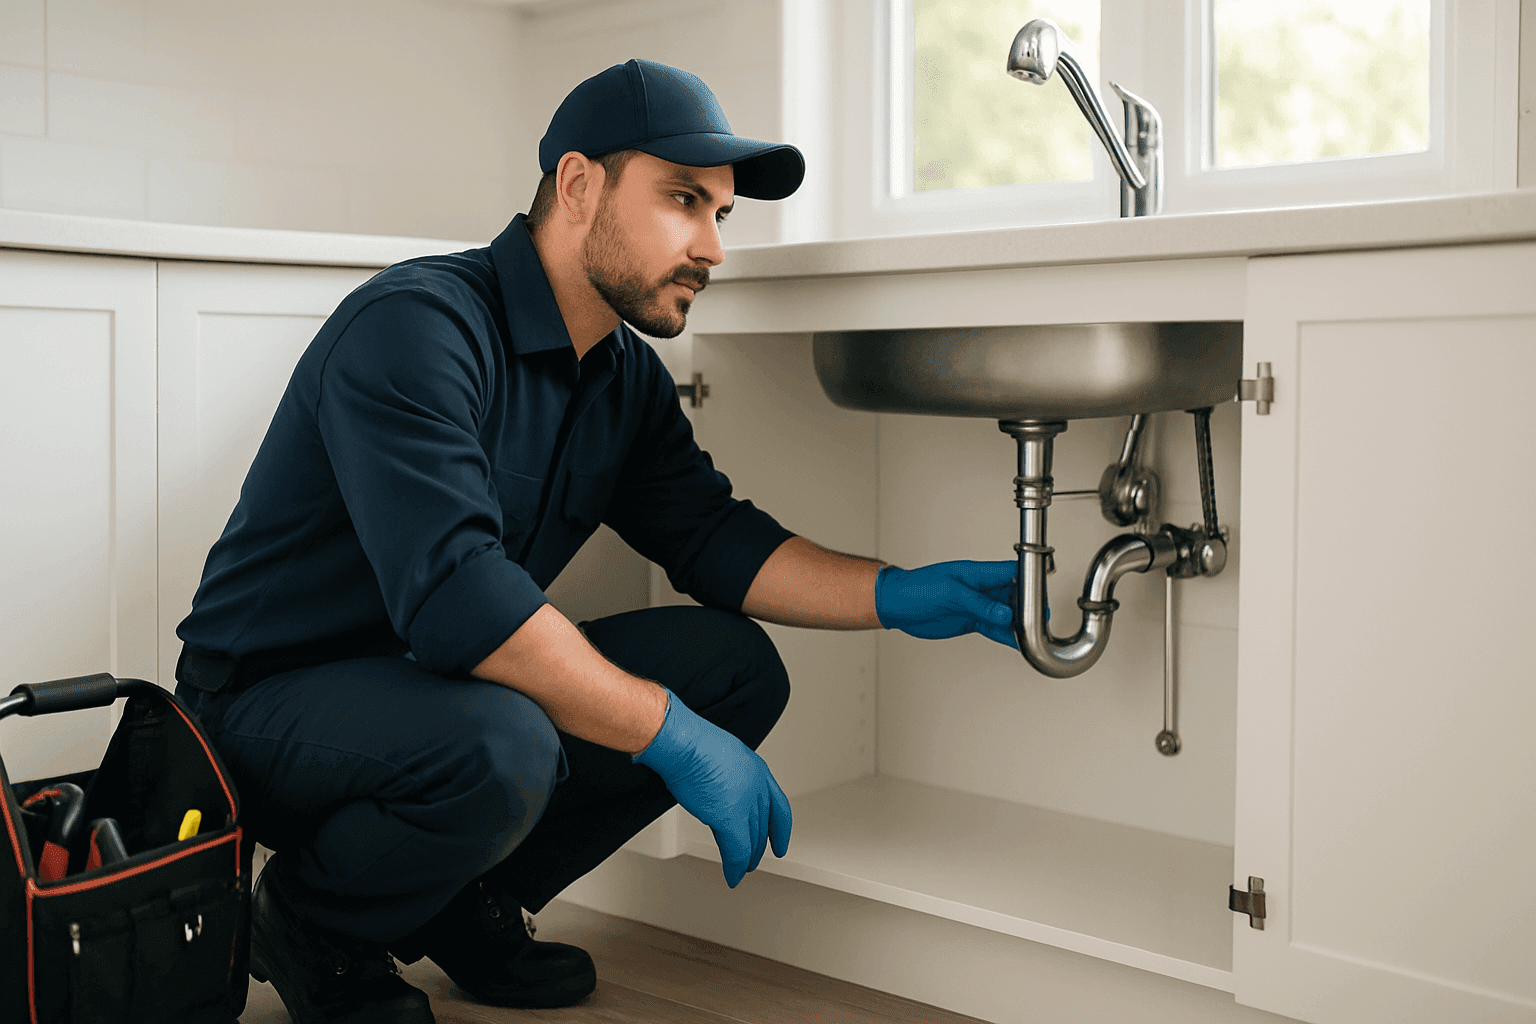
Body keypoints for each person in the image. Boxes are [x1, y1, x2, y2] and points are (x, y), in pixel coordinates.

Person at [172, 59, 1020, 1024]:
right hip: (265, 710)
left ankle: (465, 903)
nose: (711, 246)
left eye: (721, 216)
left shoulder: (618, 376)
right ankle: (312, 920)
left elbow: (714, 538)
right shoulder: (418, 327)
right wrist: (672, 735)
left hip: (436, 692)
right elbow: (458, 600)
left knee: (735, 670)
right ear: (578, 186)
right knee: (507, 742)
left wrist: (902, 594)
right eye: (682, 200)